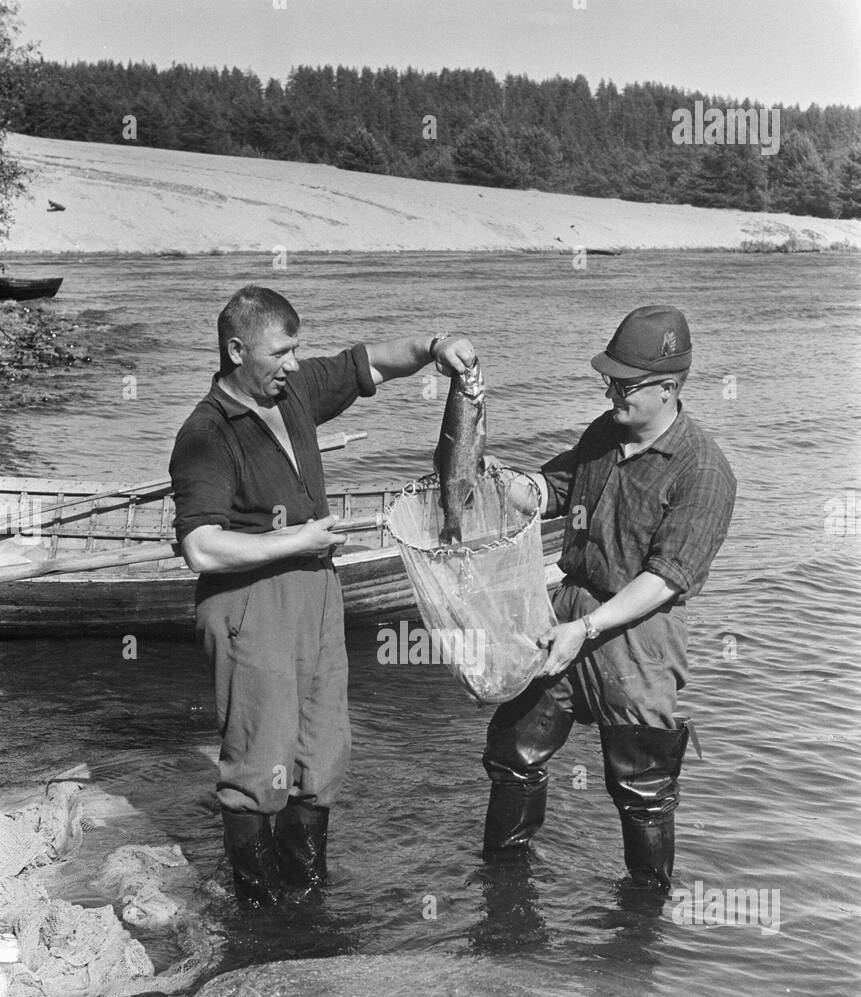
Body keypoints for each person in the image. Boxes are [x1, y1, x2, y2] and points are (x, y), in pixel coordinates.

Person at [170, 285, 475, 909]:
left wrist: (437, 346)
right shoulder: (205, 432)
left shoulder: (294, 389)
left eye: (295, 350)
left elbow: (374, 362)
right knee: (259, 763)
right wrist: (298, 538)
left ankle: (308, 897)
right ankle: (259, 913)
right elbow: (201, 548)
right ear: (236, 351)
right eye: (279, 352)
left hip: (317, 593)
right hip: (250, 602)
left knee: (320, 751)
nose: (291, 363)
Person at [482, 305, 736, 893]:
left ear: (668, 388)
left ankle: (643, 919)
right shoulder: (604, 432)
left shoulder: (703, 470)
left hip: (638, 637)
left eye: (624, 384)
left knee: (641, 788)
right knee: (513, 754)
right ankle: (503, 892)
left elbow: (666, 579)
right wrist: (499, 479)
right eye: (609, 381)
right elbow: (550, 491)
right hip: (566, 612)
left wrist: (587, 628)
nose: (610, 392)